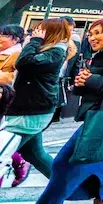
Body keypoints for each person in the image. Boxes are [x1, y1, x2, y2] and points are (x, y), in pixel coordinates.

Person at [36, 17, 103, 204]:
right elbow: (92, 83)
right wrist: (80, 83)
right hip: (95, 112)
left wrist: (89, 80)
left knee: (64, 163)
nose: (92, 38)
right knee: (93, 159)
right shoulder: (102, 53)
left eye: (98, 33)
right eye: (90, 34)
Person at [6, 19, 70, 187]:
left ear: (50, 32)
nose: (36, 32)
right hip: (31, 108)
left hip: (32, 111)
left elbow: (23, 63)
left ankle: (68, 186)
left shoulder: (55, 52)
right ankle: (67, 186)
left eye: (40, 30)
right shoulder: (48, 50)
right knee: (34, 154)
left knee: (3, 150)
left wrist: (33, 42)